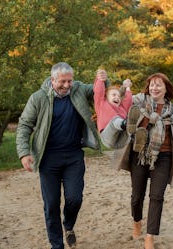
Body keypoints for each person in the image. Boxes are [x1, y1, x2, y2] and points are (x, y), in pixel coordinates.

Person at [16, 62, 106, 249]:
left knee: (75, 198)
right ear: (52, 80)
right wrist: (24, 153)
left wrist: (104, 79)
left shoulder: (79, 89)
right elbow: (24, 125)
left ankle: (69, 225)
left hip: (74, 156)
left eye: (69, 81)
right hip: (48, 159)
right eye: (62, 82)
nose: (66, 85)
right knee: (51, 204)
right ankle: (57, 245)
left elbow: (100, 91)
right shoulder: (38, 98)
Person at [113, 73, 173, 249]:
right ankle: (137, 221)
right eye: (152, 85)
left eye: (158, 85)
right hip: (139, 153)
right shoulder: (139, 100)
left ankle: (150, 236)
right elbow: (120, 100)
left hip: (164, 156)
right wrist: (124, 87)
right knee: (136, 196)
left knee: (157, 197)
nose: (154, 88)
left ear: (165, 88)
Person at [93, 71, 133, 149]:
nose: (117, 97)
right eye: (114, 95)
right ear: (106, 97)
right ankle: (125, 124)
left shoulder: (122, 107)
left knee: (132, 114)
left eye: (118, 96)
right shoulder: (101, 103)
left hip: (122, 141)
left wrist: (127, 88)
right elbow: (98, 91)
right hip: (108, 138)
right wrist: (100, 80)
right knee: (115, 120)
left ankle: (135, 135)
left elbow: (128, 101)